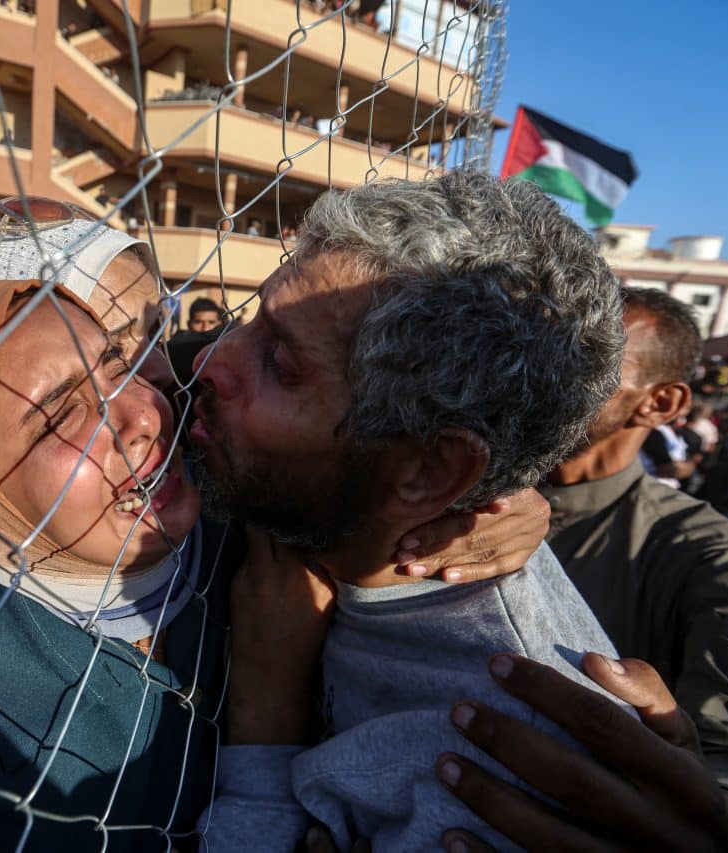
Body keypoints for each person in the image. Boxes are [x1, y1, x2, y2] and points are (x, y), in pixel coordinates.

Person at [0, 203, 548, 852]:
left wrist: (497, 510)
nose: (150, 401)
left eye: (132, 347)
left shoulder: (235, 526)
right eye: (51, 419)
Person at [185, 172, 629, 850]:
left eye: (279, 360)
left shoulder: (498, 769)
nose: (210, 363)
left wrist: (264, 726)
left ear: (430, 471)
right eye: (252, 319)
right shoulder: (316, 512)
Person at [538, 286, 728, 843]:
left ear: (662, 403)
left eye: (587, 360)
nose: (541, 376)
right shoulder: (442, 491)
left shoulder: (721, 562)